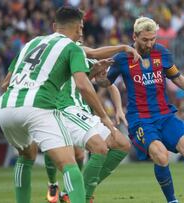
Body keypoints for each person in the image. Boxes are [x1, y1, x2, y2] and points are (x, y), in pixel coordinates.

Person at [96, 17, 184, 203]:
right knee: (161, 156)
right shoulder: (121, 58)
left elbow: (176, 77)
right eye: (145, 40)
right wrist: (99, 75)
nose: (150, 43)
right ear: (134, 36)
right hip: (140, 119)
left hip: (165, 115)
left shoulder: (162, 53)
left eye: (153, 39)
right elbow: (106, 83)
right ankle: (172, 201)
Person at [0, 7, 118, 203]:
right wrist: (104, 116)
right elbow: (83, 85)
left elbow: (4, 84)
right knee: (69, 164)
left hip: (6, 107)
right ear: (80, 29)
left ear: (55, 26)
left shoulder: (31, 43)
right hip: (38, 106)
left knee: (26, 156)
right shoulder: (73, 47)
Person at [45, 44, 140, 203]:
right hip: (65, 109)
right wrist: (123, 47)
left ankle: (74, 191)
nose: (80, 35)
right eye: (79, 30)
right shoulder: (67, 51)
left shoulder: (84, 61)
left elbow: (107, 84)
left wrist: (119, 109)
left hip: (82, 112)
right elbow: (94, 53)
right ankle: (72, 192)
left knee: (122, 144)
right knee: (91, 150)